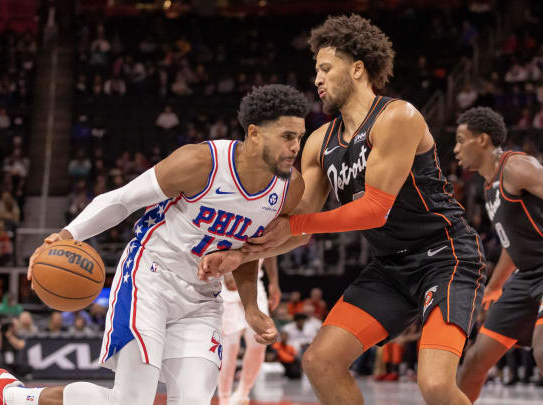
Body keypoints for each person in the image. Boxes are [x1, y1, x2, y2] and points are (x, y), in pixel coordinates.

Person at [198, 14, 486, 405]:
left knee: (434, 384)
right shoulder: (319, 142)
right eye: (315, 70)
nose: (317, 79)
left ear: (356, 69)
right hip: (390, 267)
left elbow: (374, 210)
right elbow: (295, 227)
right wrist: (240, 251)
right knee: (321, 361)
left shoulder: (398, 117)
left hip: (446, 257)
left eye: (325, 68)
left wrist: (293, 224)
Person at [0, 84, 307, 405]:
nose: (295, 147)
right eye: (287, 136)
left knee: (194, 400)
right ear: (254, 133)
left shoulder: (289, 189)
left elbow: (248, 251)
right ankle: (11, 394)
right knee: (131, 401)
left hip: (203, 296)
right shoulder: (201, 163)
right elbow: (122, 201)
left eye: (299, 138)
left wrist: (250, 306)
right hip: (151, 277)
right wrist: (69, 234)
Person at [453, 106, 543, 405]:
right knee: (475, 360)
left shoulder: (515, 167)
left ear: (482, 140)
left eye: (460, 140)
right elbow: (512, 247)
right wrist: (493, 288)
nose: (455, 149)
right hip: (525, 277)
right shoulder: (489, 186)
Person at [217, 257, 281, 405]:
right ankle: (224, 399)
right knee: (229, 347)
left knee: (260, 342)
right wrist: (228, 274)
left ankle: (243, 393)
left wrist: (274, 282)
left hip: (254, 285)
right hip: (226, 287)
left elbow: (272, 251)